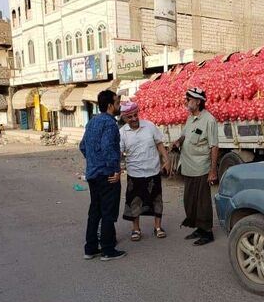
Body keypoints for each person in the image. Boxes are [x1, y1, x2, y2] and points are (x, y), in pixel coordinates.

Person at [79, 90, 126, 261]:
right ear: (110, 105)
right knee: (107, 212)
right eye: (117, 102)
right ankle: (107, 249)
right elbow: (107, 148)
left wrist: (93, 161)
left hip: (93, 174)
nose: (119, 105)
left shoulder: (92, 122)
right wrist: (115, 170)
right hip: (107, 175)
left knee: (95, 211)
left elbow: (82, 146)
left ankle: (90, 248)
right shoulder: (110, 124)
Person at [173, 87, 219, 246]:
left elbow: (214, 146)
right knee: (190, 200)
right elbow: (186, 134)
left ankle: (207, 232)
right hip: (187, 166)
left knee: (202, 202)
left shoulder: (209, 120)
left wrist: (213, 171)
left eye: (189, 99)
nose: (185, 101)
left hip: (201, 167)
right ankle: (198, 227)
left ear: (198, 101)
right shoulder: (190, 118)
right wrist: (179, 141)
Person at [119, 102, 170, 241]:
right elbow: (119, 152)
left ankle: (158, 227)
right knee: (134, 202)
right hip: (134, 173)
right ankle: (136, 229)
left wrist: (166, 160)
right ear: (124, 118)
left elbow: (159, 143)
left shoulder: (149, 126)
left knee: (157, 200)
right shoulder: (122, 133)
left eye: (135, 115)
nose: (134, 118)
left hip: (153, 170)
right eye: (130, 117)